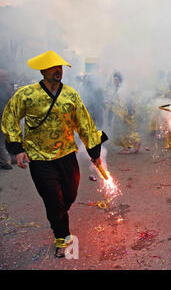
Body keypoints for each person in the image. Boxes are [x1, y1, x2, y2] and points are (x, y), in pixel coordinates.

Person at [1, 50, 108, 258]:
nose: (58, 71)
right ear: (43, 71)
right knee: (53, 198)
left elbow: (84, 124)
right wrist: (17, 148)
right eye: (53, 68)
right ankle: (62, 237)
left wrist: (94, 152)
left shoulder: (70, 95)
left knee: (69, 195)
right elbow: (10, 117)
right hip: (40, 158)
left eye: (59, 67)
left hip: (67, 155)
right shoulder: (27, 94)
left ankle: (58, 214)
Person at [0, 68, 13, 170]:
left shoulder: (6, 87)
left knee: (6, 139)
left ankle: (9, 158)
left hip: (5, 117)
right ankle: (4, 162)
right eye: (3, 77)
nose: (5, 78)